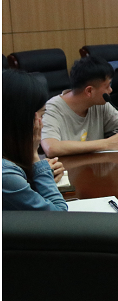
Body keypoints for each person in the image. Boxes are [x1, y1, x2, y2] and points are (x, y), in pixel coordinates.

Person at [41, 56, 118, 158]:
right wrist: (106, 144)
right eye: (107, 86)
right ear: (89, 91)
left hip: (95, 168)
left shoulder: (100, 104)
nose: (111, 90)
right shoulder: (52, 109)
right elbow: (51, 148)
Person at [3, 70, 67, 211]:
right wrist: (35, 158)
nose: (41, 124)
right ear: (22, 119)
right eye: (41, 116)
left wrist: (38, 174)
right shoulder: (5, 175)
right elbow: (59, 215)